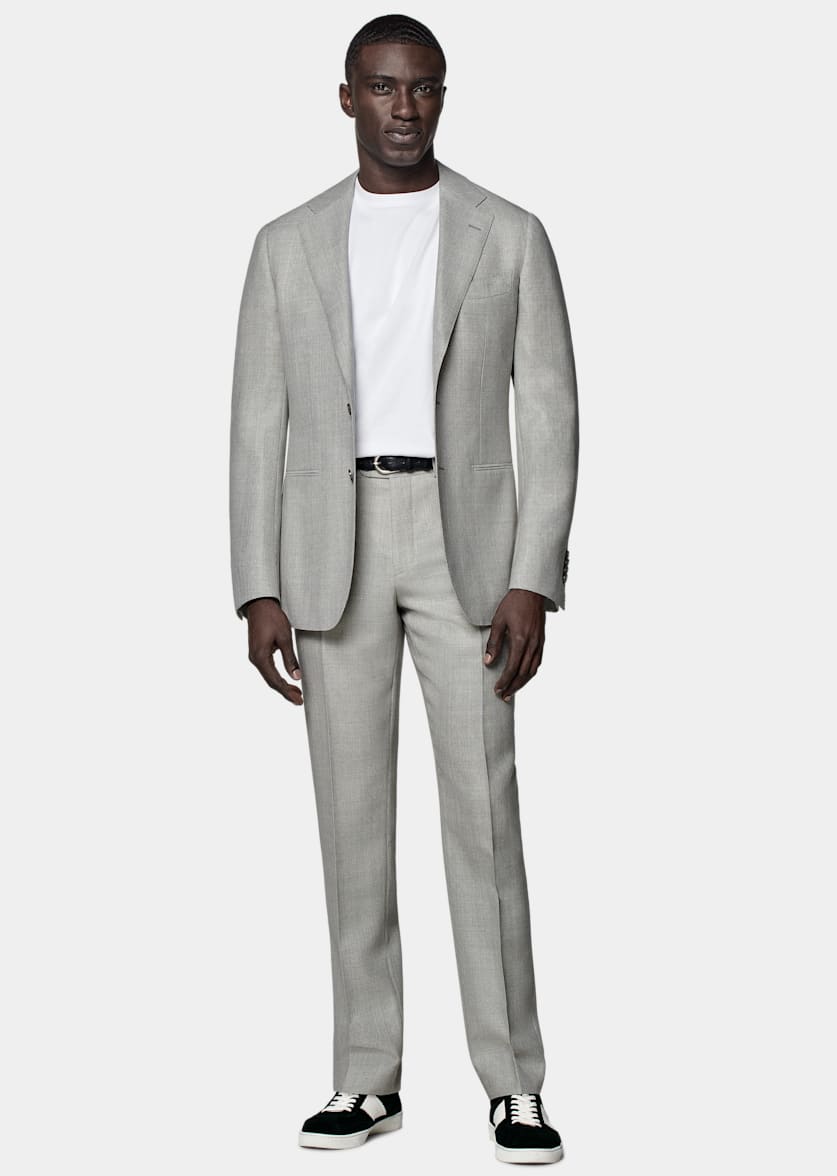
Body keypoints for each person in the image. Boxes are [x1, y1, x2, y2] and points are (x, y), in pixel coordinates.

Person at [229, 13, 578, 1165]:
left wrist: (533, 575)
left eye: (422, 87)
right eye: (381, 87)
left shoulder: (508, 233)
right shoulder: (286, 243)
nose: (403, 108)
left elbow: (550, 411)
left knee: (484, 815)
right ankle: (365, 1077)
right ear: (346, 97)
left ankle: (514, 1084)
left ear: (442, 96)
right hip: (331, 541)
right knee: (350, 821)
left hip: (464, 541)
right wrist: (257, 584)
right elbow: (257, 420)